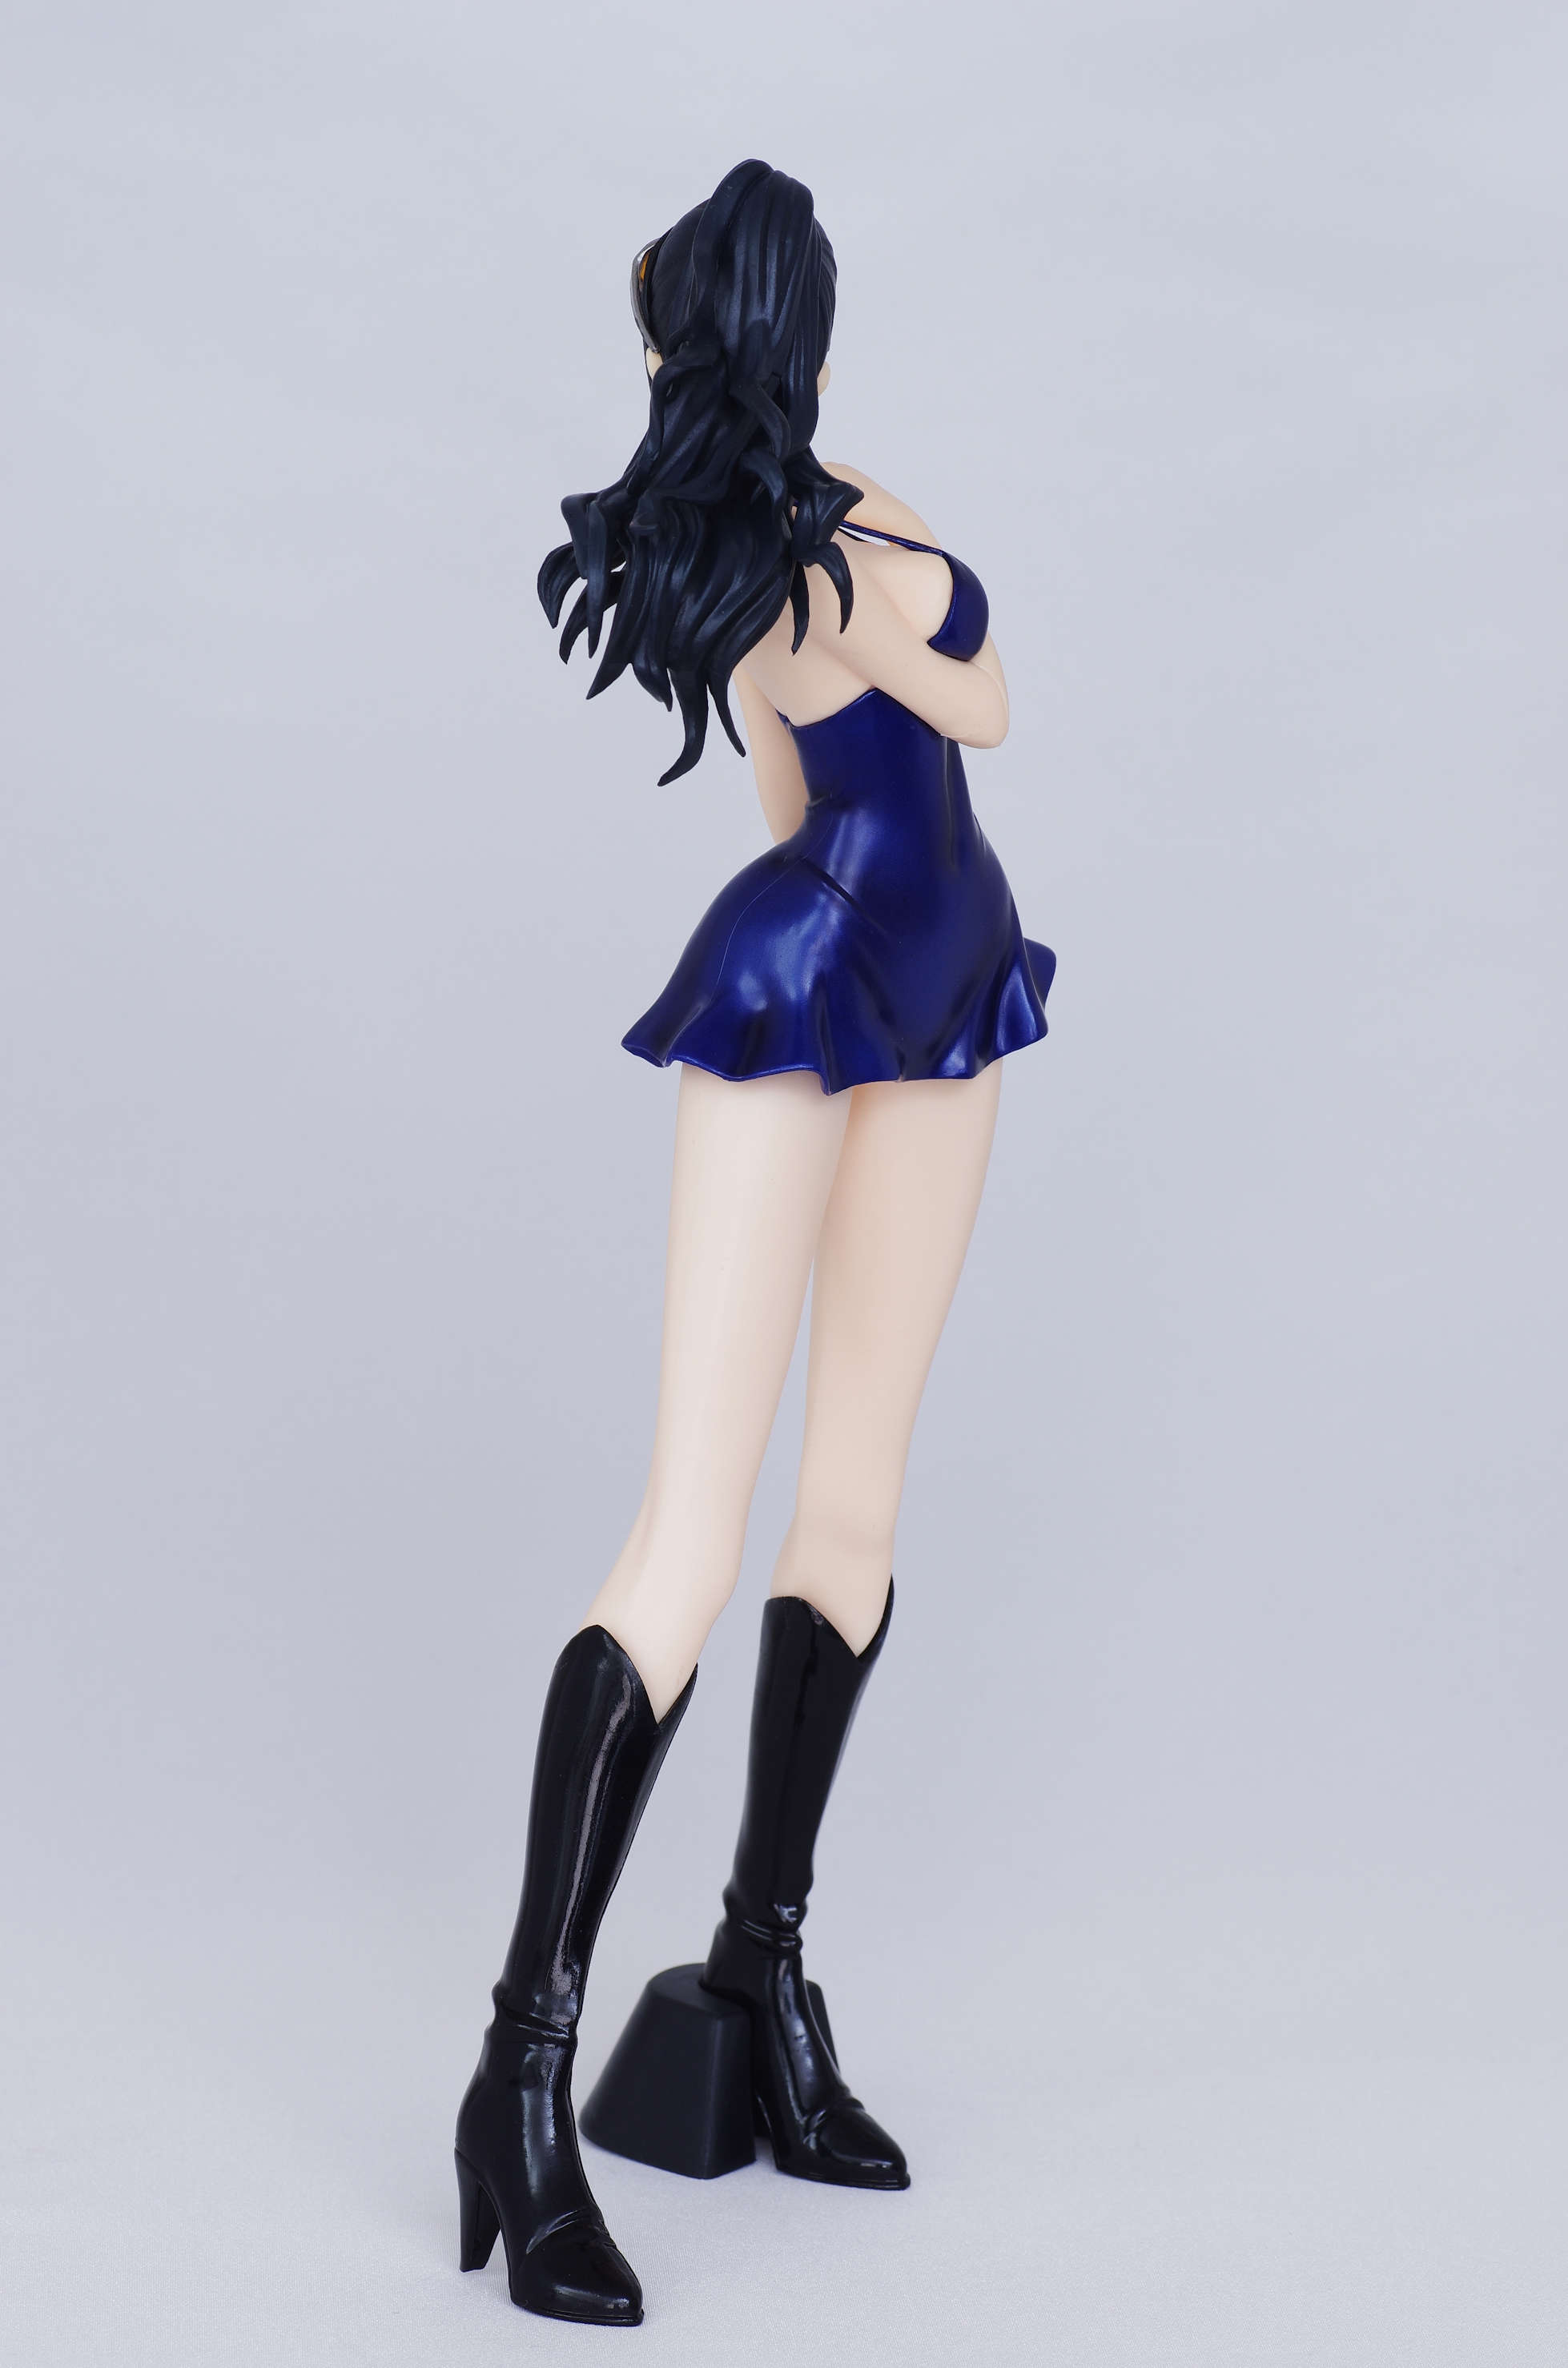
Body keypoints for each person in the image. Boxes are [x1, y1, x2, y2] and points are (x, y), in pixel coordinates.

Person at [454, 156, 1054, 2328]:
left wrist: (858, 551)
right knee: (687, 1534)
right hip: (803, 980)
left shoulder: (815, 523)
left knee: (858, 1504)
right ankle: (523, 2079)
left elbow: (843, 765)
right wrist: (883, 580)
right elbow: (979, 704)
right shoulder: (804, 556)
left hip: (948, 974)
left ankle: (759, 1981)